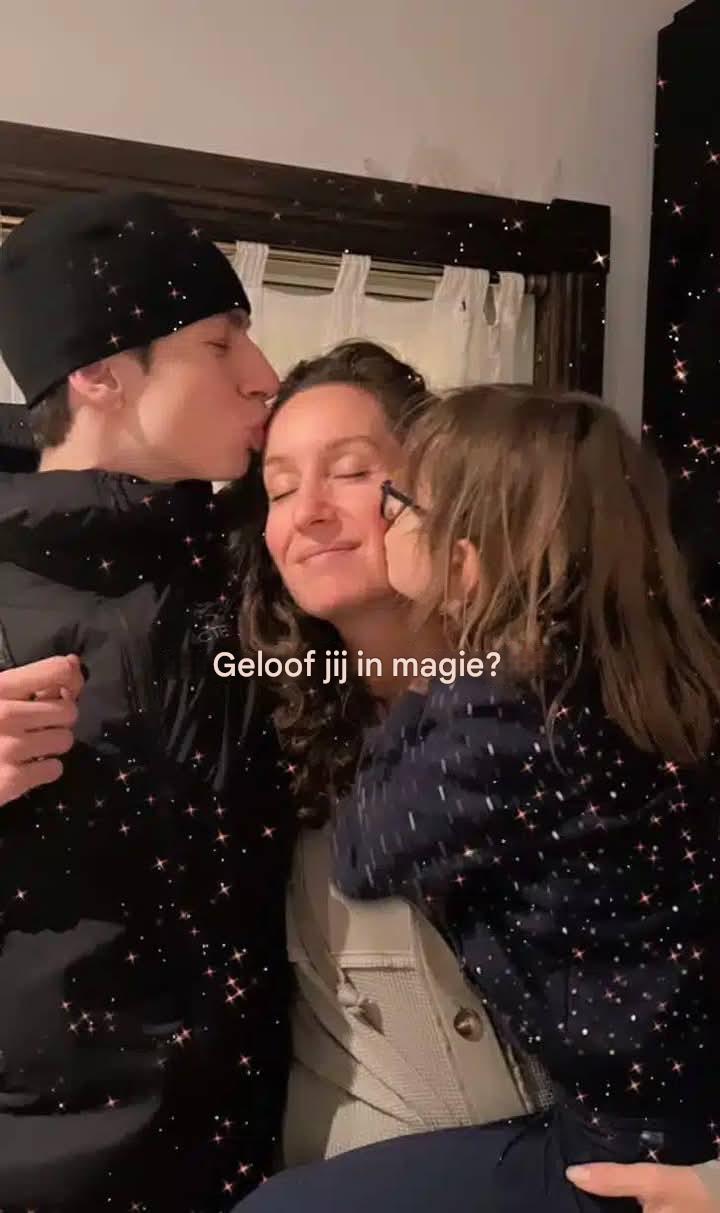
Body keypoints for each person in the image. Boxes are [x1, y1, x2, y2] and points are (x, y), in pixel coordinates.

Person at [0, 349, 716, 1211]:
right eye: (278, 487)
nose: (310, 512)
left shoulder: (590, 704)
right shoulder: (252, 716)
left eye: (353, 472)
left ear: (457, 502)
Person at [236, 381, 720, 1213]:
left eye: (378, 487)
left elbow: (367, 851)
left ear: (464, 558)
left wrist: (426, 681)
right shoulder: (626, 679)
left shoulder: (495, 718)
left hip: (618, 1155)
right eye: (277, 487)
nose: (313, 511)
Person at [0, 190, 294, 1211]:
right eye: (219, 343)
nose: (263, 376)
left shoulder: (262, 568)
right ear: (99, 374)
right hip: (45, 1171)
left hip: (263, 1154)